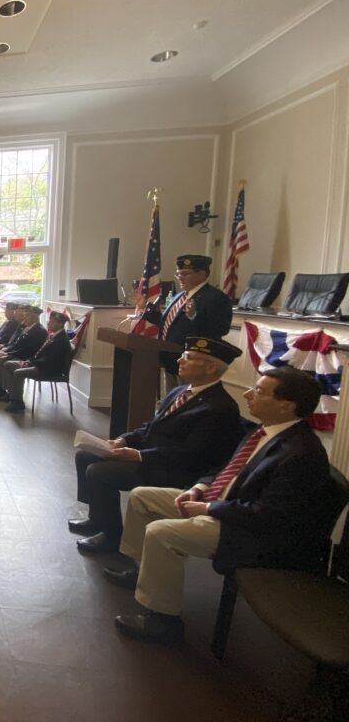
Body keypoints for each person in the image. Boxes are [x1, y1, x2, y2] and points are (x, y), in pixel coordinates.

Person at [105, 367, 343, 646]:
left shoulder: (301, 454)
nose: (248, 393)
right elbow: (225, 468)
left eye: (260, 391)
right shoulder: (263, 431)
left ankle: (164, 621)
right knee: (141, 496)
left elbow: (270, 516)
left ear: (286, 406)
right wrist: (199, 489)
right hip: (221, 502)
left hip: (246, 529)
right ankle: (141, 570)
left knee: (161, 533)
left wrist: (209, 509)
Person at [70, 337, 246, 554]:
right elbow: (150, 427)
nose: (180, 360)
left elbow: (191, 455)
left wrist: (138, 456)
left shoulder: (219, 407)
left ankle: (112, 537)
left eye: (189, 358)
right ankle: (97, 518)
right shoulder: (180, 392)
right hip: (153, 457)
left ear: (211, 367)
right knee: (85, 456)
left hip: (173, 469)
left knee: (100, 472)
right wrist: (123, 440)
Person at [134, 254, 233, 387]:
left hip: (193, 361)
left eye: (185, 274)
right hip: (170, 359)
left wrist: (194, 317)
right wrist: (145, 307)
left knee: (186, 399)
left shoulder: (216, 297)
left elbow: (221, 329)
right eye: (178, 274)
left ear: (202, 274)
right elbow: (168, 323)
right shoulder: (179, 296)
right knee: (173, 400)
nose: (180, 277)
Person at [0, 310, 72, 413]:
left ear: (60, 325)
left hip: (49, 370)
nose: (48, 323)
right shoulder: (53, 335)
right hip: (40, 365)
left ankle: (17, 402)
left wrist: (30, 364)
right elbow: (39, 353)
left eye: (52, 321)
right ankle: (11, 395)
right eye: (49, 320)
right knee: (8, 364)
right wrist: (29, 361)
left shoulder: (61, 340)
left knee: (19, 372)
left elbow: (50, 360)